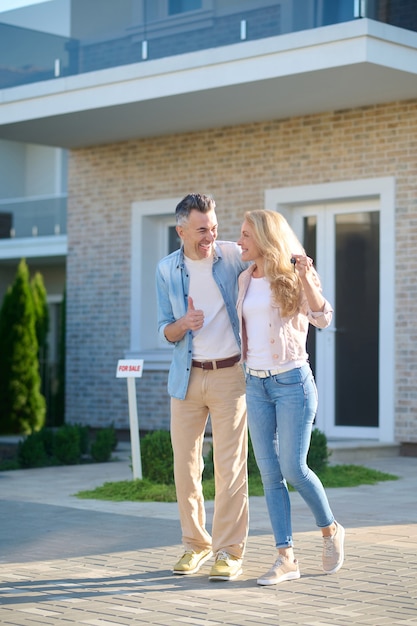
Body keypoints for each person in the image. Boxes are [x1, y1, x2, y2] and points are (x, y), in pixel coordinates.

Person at [236, 209, 345, 586]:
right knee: (269, 473)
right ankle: (286, 558)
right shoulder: (244, 279)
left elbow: (322, 317)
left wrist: (305, 277)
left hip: (292, 383)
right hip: (256, 385)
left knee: (293, 468)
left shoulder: (294, 277)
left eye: (246, 235)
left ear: (266, 238)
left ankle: (330, 529)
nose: (240, 242)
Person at [156, 193, 248, 582]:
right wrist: (184, 324)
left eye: (213, 227)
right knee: (186, 467)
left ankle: (229, 552)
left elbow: (273, 259)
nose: (210, 235)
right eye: (201, 230)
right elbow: (164, 328)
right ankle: (196, 545)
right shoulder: (166, 270)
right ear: (181, 231)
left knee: (231, 468)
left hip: (230, 376)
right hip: (187, 376)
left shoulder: (232, 256)